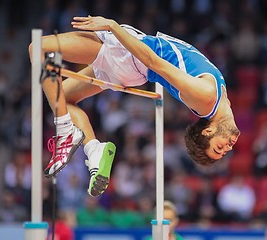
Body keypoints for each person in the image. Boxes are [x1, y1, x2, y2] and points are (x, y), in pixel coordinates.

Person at [28, 16, 240, 197]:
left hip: (130, 58)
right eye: (223, 151)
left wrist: (112, 26)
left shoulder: (205, 97)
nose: (228, 148)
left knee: (37, 47)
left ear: (209, 130)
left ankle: (65, 130)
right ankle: (93, 149)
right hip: (130, 65)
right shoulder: (223, 102)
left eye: (219, 148)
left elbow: (153, 61)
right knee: (60, 98)